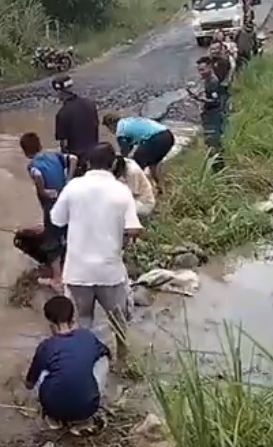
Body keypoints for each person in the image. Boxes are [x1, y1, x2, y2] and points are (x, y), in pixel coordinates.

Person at [50, 143, 144, 367]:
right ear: (113, 164)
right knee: (119, 321)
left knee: (81, 325)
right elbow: (134, 228)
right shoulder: (121, 191)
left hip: (77, 271)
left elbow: (56, 219)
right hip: (109, 271)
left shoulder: (73, 187)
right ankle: (122, 362)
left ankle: (83, 365)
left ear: (88, 163)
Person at [25, 296, 111, 430]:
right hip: (88, 409)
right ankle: (83, 411)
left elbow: (29, 384)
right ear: (73, 318)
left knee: (46, 369)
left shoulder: (46, 346)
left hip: (53, 409)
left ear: (50, 324)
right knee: (101, 359)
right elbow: (107, 353)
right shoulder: (86, 336)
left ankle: (54, 419)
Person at [19, 132, 78, 291]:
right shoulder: (54, 156)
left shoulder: (33, 166)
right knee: (67, 234)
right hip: (67, 203)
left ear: (25, 152)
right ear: (40, 145)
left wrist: (43, 191)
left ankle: (57, 279)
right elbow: (73, 158)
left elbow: (37, 175)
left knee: (52, 242)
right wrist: (69, 180)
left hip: (52, 207)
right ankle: (72, 268)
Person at [101, 113, 175, 191]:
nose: (110, 131)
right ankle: (160, 187)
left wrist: (118, 167)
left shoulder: (120, 130)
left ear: (111, 125)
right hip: (167, 136)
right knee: (152, 164)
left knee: (136, 165)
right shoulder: (128, 122)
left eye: (108, 128)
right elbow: (129, 147)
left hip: (156, 138)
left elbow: (125, 151)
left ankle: (136, 190)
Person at [52, 74, 99, 176]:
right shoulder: (90, 104)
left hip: (78, 161)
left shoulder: (62, 113)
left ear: (59, 92)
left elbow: (63, 144)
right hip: (95, 156)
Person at [188, 57, 225, 170]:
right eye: (199, 70)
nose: (201, 73)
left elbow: (215, 101)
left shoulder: (213, 82)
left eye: (203, 70)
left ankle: (218, 165)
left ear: (210, 67)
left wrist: (198, 98)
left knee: (213, 140)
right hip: (209, 112)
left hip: (213, 114)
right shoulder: (207, 80)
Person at [208, 42, 235, 112]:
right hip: (221, 86)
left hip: (222, 86)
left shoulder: (223, 62)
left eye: (215, 49)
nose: (212, 51)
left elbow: (220, 77)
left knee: (221, 105)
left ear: (220, 50)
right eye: (211, 49)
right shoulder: (215, 60)